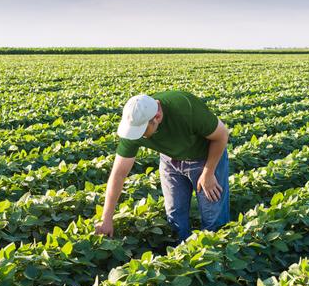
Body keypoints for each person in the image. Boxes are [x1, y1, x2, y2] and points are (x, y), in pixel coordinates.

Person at [94, 90, 230, 243]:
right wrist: (106, 218)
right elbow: (118, 174)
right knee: (175, 215)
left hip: (205, 157)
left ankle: (214, 257)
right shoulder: (135, 124)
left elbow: (222, 135)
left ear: (157, 117)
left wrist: (208, 173)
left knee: (213, 218)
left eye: (142, 132)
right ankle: (182, 257)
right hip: (170, 161)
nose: (138, 136)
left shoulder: (185, 108)